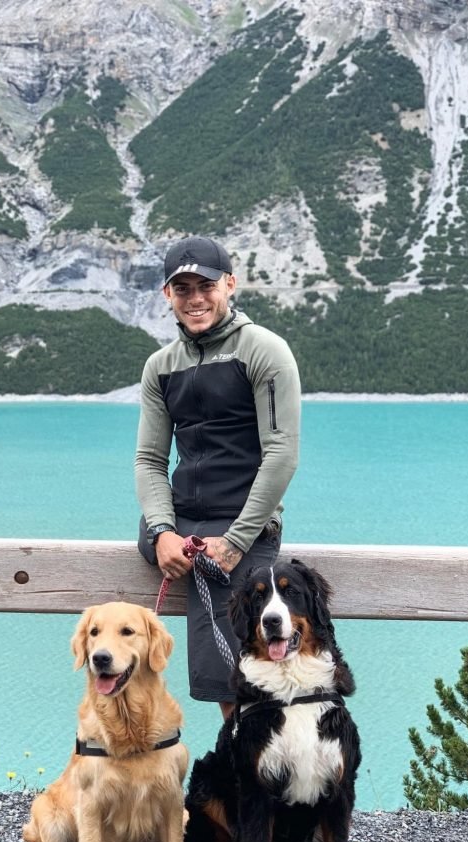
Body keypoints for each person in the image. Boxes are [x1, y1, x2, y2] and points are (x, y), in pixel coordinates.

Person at [135, 235, 301, 720]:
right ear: (168, 295)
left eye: (205, 285)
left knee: (242, 685)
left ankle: (254, 783)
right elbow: (149, 460)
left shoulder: (265, 351)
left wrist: (232, 543)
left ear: (230, 284)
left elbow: (282, 454)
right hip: (183, 524)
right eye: (181, 288)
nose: (195, 298)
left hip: (245, 525)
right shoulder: (160, 367)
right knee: (231, 677)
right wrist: (162, 532)